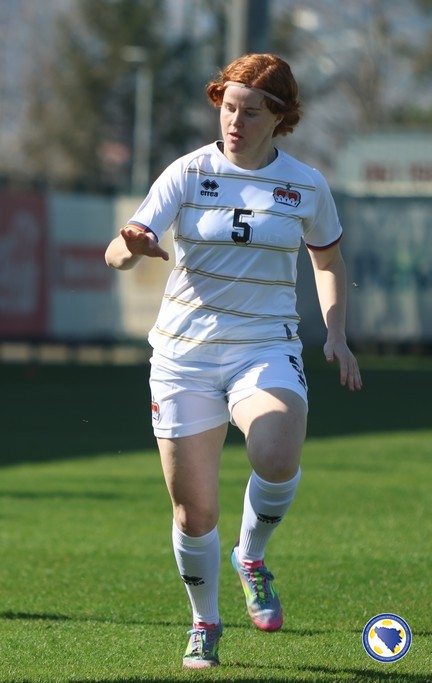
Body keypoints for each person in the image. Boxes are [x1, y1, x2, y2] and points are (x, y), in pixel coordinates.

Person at [104, 53, 363, 669]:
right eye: (227, 107)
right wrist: (132, 247)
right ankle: (205, 622)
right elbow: (120, 249)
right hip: (183, 356)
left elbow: (327, 260)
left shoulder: (306, 184)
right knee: (194, 512)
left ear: (280, 117)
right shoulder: (188, 171)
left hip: (265, 346)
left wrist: (336, 332)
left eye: (250, 112)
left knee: (277, 451)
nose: (234, 122)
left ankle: (251, 556)